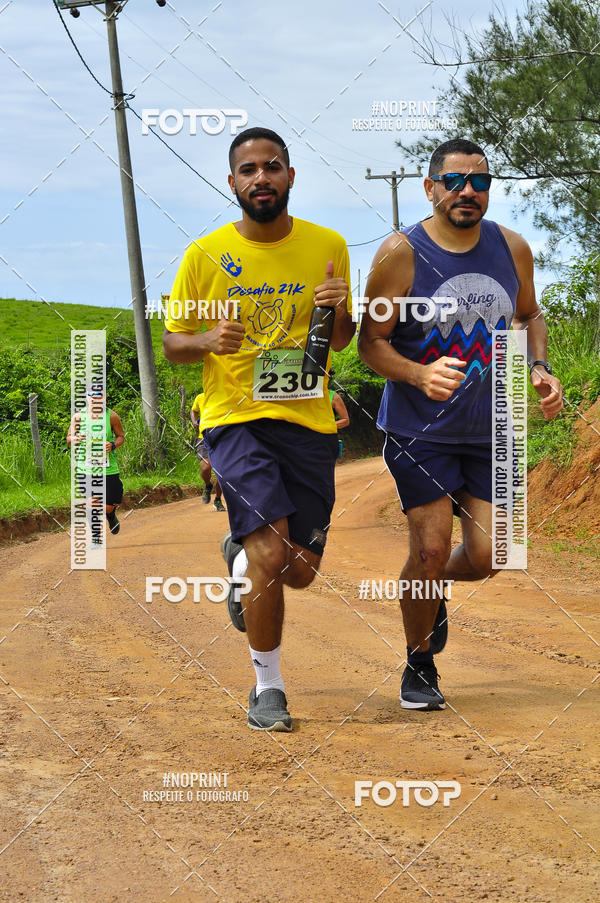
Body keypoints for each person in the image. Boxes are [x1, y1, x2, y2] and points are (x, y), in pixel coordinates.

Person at [358, 138, 564, 711]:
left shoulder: (512, 247)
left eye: (480, 182)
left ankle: (431, 592)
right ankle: (419, 665)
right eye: (455, 181)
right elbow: (369, 344)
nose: (467, 191)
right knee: (428, 548)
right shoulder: (399, 253)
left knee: (494, 554)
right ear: (431, 188)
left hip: (493, 424)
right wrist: (420, 375)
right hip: (420, 428)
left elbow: (528, 313)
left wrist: (539, 367)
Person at [163, 127, 355, 732]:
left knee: (299, 570)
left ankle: (238, 560)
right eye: (248, 170)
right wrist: (204, 340)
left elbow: (340, 342)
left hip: (306, 420)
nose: (261, 178)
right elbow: (172, 345)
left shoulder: (328, 245)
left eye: (272, 166)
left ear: (291, 176)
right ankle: (267, 686)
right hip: (235, 420)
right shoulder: (204, 255)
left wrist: (338, 310)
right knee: (271, 552)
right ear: (232, 183)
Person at [67, 390, 125, 538]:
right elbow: (68, 439)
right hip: (85, 468)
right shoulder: (78, 417)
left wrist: (112, 445)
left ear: (104, 398)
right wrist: (75, 438)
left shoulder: (112, 416)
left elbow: (121, 437)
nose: (95, 400)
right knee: (91, 502)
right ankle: (95, 535)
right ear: (87, 398)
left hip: (108, 468)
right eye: (92, 397)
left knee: (107, 505)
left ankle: (110, 515)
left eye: (99, 397)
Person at [190, 392, 225, 511]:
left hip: (221, 438)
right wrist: (194, 421)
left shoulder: (223, 395)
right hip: (203, 438)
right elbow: (194, 410)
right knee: (205, 468)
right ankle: (208, 485)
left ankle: (218, 500)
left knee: (221, 473)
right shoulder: (200, 397)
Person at [329, 385, 350, 459]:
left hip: (327, 440)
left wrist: (326, 426)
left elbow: (345, 420)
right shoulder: (301, 395)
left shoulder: (333, 396)